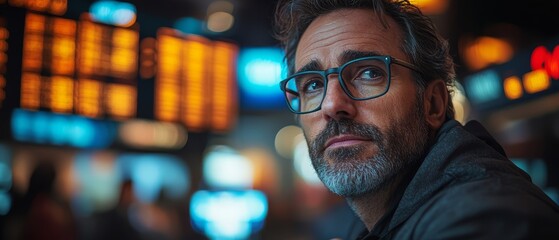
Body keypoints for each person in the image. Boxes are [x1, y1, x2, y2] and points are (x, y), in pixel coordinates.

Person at [273, 0, 559, 239]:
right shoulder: (381, 222)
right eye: (312, 85)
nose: (332, 104)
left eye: (369, 73)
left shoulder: (483, 217)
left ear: (433, 103)